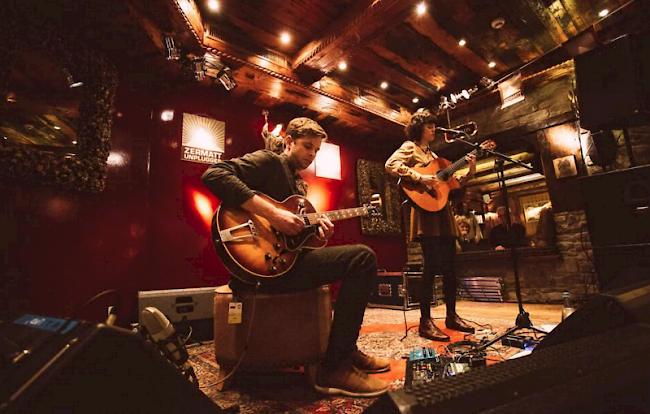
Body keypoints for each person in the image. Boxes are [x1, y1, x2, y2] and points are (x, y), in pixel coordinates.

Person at [201, 117, 391, 398]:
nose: (311, 155)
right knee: (362, 258)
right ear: (288, 142)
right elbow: (214, 175)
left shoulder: (297, 185)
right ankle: (335, 367)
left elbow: (290, 241)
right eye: (307, 147)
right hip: (260, 272)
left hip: (280, 264)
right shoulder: (269, 161)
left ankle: (347, 351)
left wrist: (319, 234)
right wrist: (273, 214)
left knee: (356, 257)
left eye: (316, 150)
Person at [385, 109, 476, 342]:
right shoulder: (409, 147)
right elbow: (391, 164)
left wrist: (471, 170)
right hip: (426, 213)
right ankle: (425, 321)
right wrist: (419, 177)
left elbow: (453, 184)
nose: (434, 129)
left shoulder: (435, 156)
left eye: (434, 126)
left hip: (443, 213)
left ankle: (451, 315)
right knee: (432, 265)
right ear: (419, 129)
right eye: (429, 126)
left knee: (451, 266)